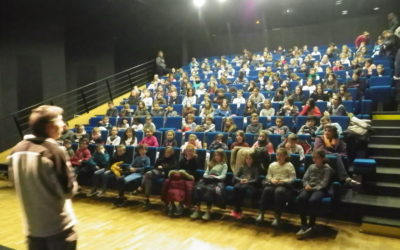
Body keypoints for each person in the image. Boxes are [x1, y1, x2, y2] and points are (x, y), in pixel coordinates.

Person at [9, 105, 78, 249]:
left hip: (32, 230)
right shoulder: (53, 151)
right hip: (59, 230)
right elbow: (68, 191)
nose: (63, 125)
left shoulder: (16, 150)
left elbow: (14, 184)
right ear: (50, 126)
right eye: (60, 121)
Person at [295, 150, 333, 239]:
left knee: (313, 200)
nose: (314, 160)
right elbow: (305, 178)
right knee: (301, 198)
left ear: (322, 158)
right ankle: (303, 224)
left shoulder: (327, 169)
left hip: (320, 190)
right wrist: (306, 185)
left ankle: (311, 224)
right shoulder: (311, 166)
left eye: (316, 158)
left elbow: (324, 183)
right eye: (313, 158)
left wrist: (313, 188)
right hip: (309, 187)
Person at [256, 148, 296, 226]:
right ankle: (261, 213)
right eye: (277, 155)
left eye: (281, 155)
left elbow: (293, 178)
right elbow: (268, 176)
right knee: (267, 189)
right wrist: (272, 180)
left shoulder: (289, 165)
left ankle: (277, 216)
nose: (279, 157)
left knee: (279, 191)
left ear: (285, 156)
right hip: (274, 184)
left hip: (284, 185)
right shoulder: (272, 165)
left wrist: (283, 181)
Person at [190, 149, 228, 221]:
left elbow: (223, 176)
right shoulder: (211, 163)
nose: (216, 157)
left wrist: (214, 177)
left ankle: (208, 211)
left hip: (217, 181)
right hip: (208, 180)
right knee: (197, 188)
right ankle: (197, 210)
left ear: (222, 156)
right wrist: (208, 176)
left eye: (218, 155)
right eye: (215, 155)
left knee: (209, 190)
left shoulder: (224, 165)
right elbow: (205, 173)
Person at [162, 145, 198, 216]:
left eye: (191, 151)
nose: (189, 152)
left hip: (189, 176)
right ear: (185, 151)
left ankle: (180, 205)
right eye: (187, 151)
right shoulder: (183, 159)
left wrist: (185, 173)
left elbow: (195, 171)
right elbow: (179, 168)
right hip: (181, 175)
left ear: (193, 152)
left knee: (183, 185)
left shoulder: (195, 159)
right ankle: (172, 204)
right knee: (170, 182)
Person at [230, 152, 262, 219]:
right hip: (242, 182)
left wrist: (248, 181)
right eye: (247, 159)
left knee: (241, 188)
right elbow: (235, 176)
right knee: (236, 187)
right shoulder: (242, 167)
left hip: (252, 185)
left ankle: (237, 210)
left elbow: (256, 180)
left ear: (253, 160)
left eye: (250, 159)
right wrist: (240, 180)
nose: (248, 160)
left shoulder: (255, 168)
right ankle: (237, 209)